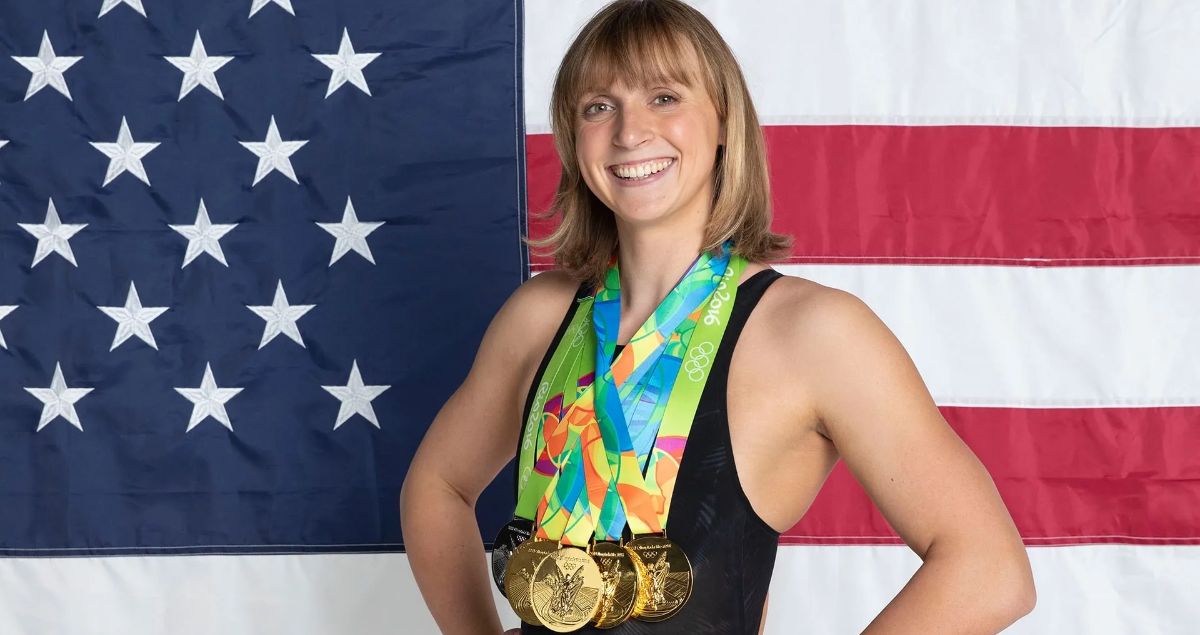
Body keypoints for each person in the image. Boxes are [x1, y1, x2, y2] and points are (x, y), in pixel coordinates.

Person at [400, 1, 1036, 633]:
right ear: (573, 136)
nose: (629, 132)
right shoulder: (537, 318)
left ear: (725, 120)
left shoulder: (816, 333)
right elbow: (436, 486)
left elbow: (989, 570)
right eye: (599, 106)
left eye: (665, 97)